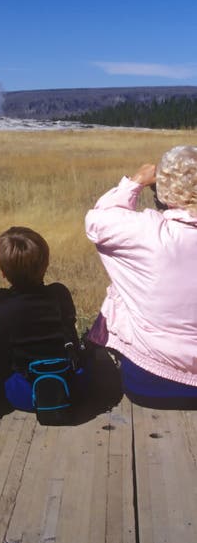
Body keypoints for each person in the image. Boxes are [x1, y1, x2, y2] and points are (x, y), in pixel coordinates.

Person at [85, 146, 197, 407]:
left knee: (122, 292)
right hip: (153, 380)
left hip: (151, 382)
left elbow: (97, 222)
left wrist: (134, 182)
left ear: (164, 189)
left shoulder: (147, 232)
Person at [0, 226, 82, 421]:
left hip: (25, 394)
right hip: (70, 386)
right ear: (46, 264)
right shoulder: (60, 294)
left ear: (2, 272)